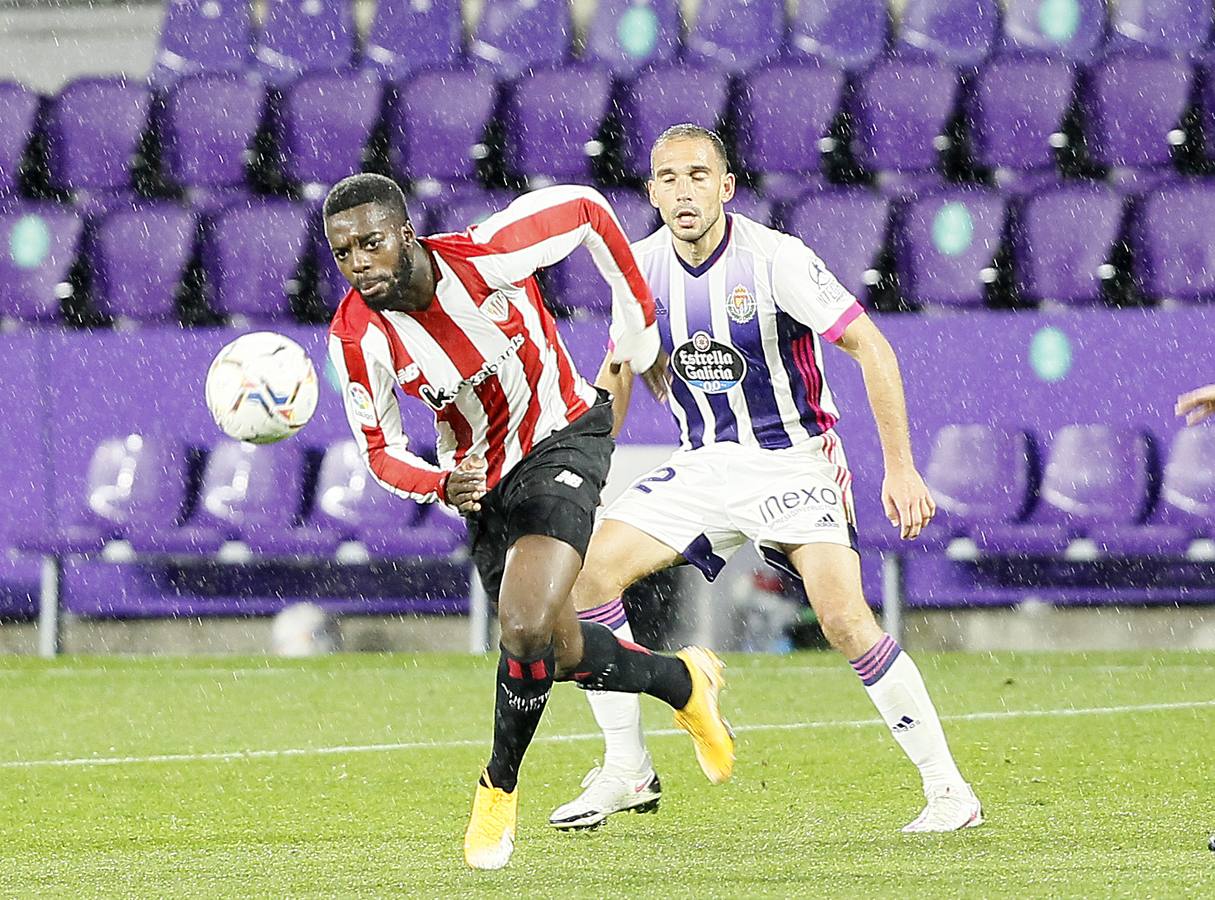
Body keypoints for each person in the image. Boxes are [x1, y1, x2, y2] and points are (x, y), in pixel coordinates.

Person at [549, 125, 983, 834]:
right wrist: (587, 463)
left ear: (725, 187)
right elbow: (620, 369)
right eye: (667, 177)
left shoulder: (775, 258)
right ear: (651, 192)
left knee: (843, 619)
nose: (683, 190)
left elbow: (868, 346)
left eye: (697, 175)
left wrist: (899, 467)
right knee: (587, 576)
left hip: (792, 457)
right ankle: (627, 770)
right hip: (702, 462)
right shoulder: (637, 267)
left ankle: (948, 791)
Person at [322, 174, 735, 870]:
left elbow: (587, 210)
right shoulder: (358, 338)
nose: (359, 263)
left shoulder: (488, 255)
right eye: (342, 253)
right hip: (481, 486)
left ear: (406, 234)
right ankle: (683, 682)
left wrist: (637, 319)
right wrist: (437, 482)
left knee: (521, 625)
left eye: (370, 243)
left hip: (563, 437)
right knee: (559, 651)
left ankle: (497, 786)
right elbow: (379, 451)